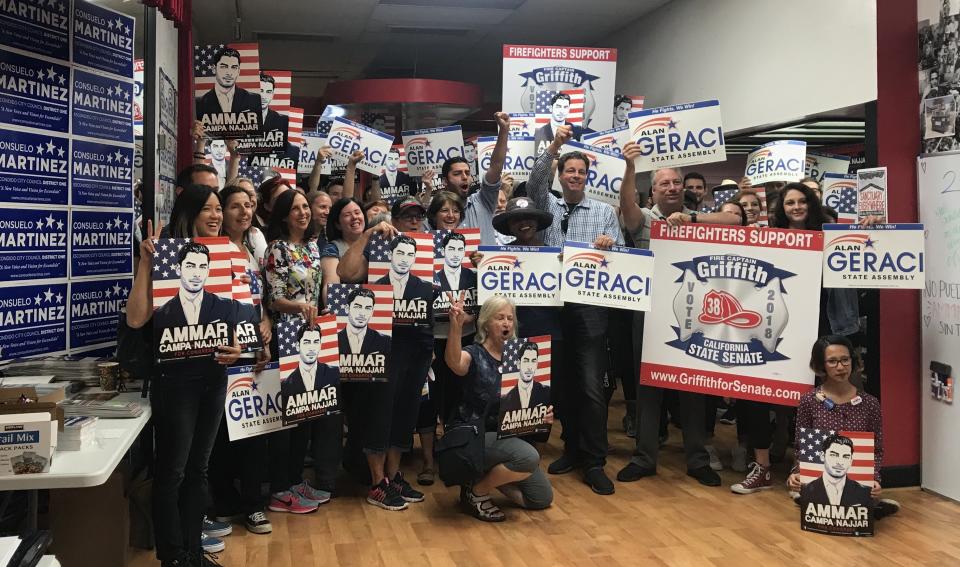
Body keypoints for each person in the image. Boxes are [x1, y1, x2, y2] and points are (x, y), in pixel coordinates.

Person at [125, 186, 242, 567]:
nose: (214, 215)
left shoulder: (228, 260)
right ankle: (172, 556)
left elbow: (243, 322)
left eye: (217, 209)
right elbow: (136, 318)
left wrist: (239, 347)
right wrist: (146, 263)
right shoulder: (162, 257)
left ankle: (193, 551)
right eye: (206, 209)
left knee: (198, 469)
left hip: (214, 377)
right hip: (174, 382)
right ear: (189, 213)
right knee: (172, 471)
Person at [616, 141, 739, 488]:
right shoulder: (645, 221)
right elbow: (627, 209)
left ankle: (697, 459)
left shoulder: (699, 217)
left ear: (683, 188)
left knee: (692, 386)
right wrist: (629, 167)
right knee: (647, 387)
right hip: (651, 312)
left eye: (675, 183)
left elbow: (735, 218)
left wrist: (693, 218)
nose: (671, 188)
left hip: (695, 314)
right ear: (652, 190)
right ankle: (644, 457)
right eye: (663, 184)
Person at [525, 124, 622, 494]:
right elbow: (534, 181)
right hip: (552, 306)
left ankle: (594, 461)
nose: (576, 176)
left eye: (581, 172)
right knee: (562, 384)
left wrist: (609, 244)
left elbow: (622, 256)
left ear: (587, 177)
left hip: (590, 308)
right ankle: (571, 447)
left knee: (591, 386)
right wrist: (555, 147)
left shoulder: (602, 212)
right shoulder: (546, 203)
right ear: (561, 175)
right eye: (570, 171)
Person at [337, 213, 434, 510]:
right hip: (382, 346)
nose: (404, 259)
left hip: (417, 345)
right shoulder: (375, 257)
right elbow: (345, 273)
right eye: (399, 253)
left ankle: (393, 477)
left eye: (410, 253)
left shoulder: (425, 275)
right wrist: (367, 235)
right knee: (378, 413)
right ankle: (377, 482)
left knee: (405, 412)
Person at [263, 189, 341, 514]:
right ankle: (281, 487)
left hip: (312, 336)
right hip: (286, 337)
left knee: (307, 412)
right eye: (295, 209)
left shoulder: (312, 246)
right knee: (288, 419)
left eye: (305, 207)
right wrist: (301, 307)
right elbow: (273, 298)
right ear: (283, 216)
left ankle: (295, 480)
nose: (303, 213)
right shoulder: (276, 249)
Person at [445, 296, 554, 521]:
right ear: (485, 322)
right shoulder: (474, 353)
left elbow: (525, 404)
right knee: (528, 457)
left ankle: (482, 479)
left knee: (540, 498)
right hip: (475, 436)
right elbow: (455, 363)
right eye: (500, 318)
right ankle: (477, 493)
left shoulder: (519, 360)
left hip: (505, 437)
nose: (506, 323)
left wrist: (539, 416)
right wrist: (456, 327)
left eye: (510, 318)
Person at [208, 185, 273, 534]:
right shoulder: (211, 250)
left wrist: (265, 323)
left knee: (252, 431)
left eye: (248, 206)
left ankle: (253, 505)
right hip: (222, 352)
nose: (243, 212)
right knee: (220, 435)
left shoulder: (253, 250)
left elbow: (258, 297)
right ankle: (223, 500)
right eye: (234, 206)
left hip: (252, 350)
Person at [787, 335, 900, 519]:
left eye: (845, 360)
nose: (840, 367)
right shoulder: (809, 401)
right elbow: (802, 446)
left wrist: (874, 479)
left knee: (859, 496)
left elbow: (876, 449)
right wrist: (796, 473)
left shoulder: (870, 404)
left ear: (852, 361)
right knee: (813, 491)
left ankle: (869, 504)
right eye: (832, 361)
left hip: (855, 476)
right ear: (821, 365)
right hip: (821, 474)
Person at [423, 112, 510, 245]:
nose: (464, 177)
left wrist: (504, 131)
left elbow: (496, 166)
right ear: (445, 181)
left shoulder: (483, 200)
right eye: (457, 174)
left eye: (467, 173)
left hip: (484, 265)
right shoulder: (437, 210)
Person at [800, 434, 872, 507]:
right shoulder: (806, 489)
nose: (840, 462)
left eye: (845, 456)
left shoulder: (865, 492)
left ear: (851, 461)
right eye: (834, 455)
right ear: (822, 456)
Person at [195, 47, 261, 120]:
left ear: (238, 71)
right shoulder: (199, 104)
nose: (229, 73)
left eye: (234, 67)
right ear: (214, 69)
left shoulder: (255, 100)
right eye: (224, 67)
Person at [282, 323, 338, 401]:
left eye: (315, 342)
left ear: (320, 345)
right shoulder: (286, 385)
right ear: (298, 346)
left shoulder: (335, 373)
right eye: (307, 342)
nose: (312, 348)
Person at [336, 287, 391, 355]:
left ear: (372, 312)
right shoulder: (334, 340)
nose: (362, 313)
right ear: (347, 308)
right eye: (358, 307)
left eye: (368, 308)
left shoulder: (385, 341)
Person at [501, 341, 551, 411]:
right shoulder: (505, 399)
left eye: (533, 361)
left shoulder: (547, 392)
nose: (529, 367)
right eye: (526, 360)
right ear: (518, 364)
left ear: (536, 364)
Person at [258, 73, 289, 140]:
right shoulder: (240, 118)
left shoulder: (283, 121)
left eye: (268, 92)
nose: (264, 97)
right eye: (261, 91)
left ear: (272, 94)